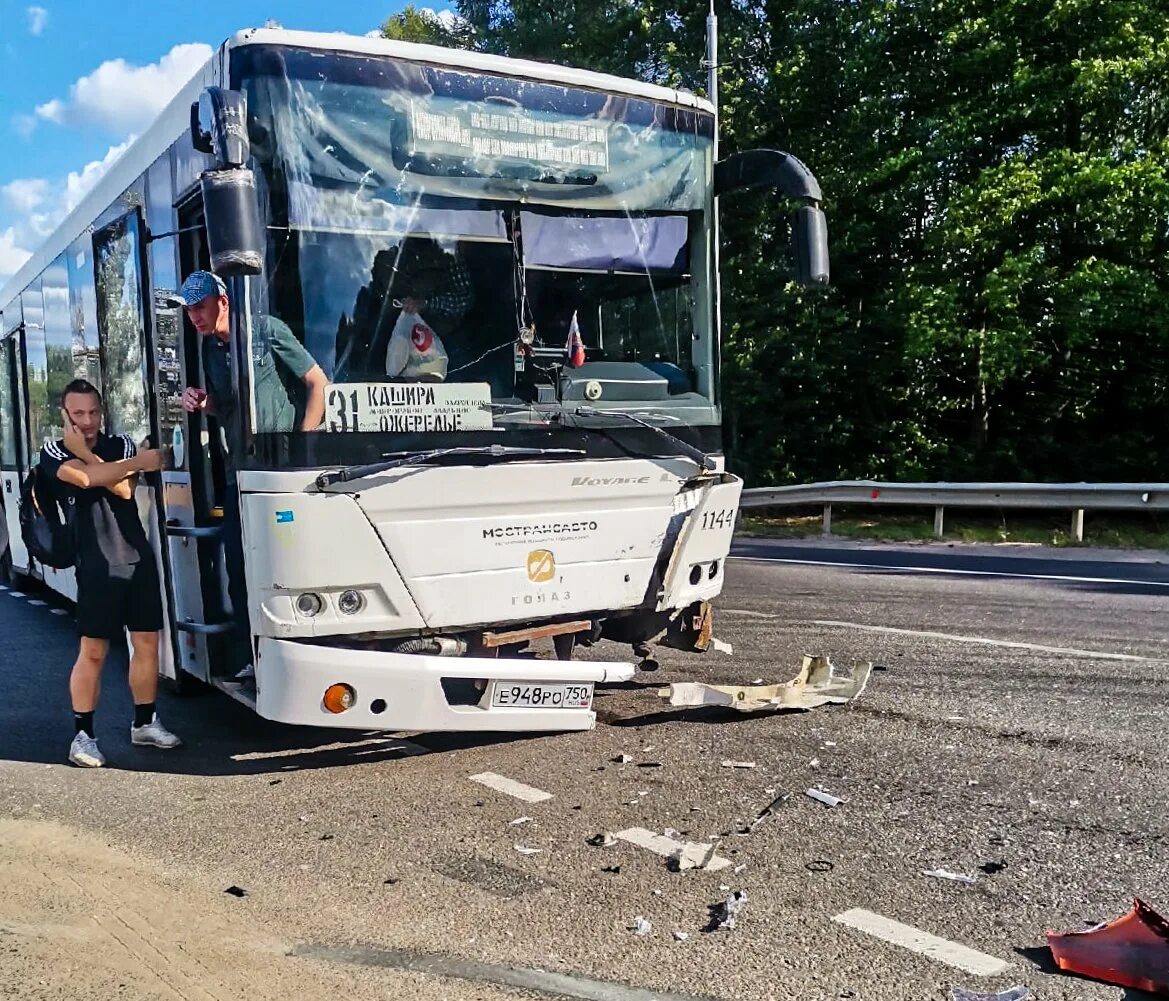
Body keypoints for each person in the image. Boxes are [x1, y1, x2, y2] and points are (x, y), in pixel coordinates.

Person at [175, 271, 327, 682]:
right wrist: (201, 402)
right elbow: (224, 407)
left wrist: (302, 447)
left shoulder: (266, 329)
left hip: (280, 471)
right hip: (237, 474)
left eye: (199, 306)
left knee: (289, 566)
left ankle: (304, 656)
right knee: (240, 568)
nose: (194, 316)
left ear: (222, 301)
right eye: (188, 310)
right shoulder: (209, 349)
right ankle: (253, 659)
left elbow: (317, 383)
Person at [39, 379, 179, 768]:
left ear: (103, 412)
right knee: (94, 651)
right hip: (96, 564)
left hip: (136, 557)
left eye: (93, 412)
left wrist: (94, 457)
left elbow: (123, 491)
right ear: (65, 415)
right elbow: (84, 479)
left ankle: (145, 722)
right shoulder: (53, 449)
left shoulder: (120, 444)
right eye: (78, 413)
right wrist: (127, 461)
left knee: (146, 643)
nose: (87, 420)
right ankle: (82, 735)